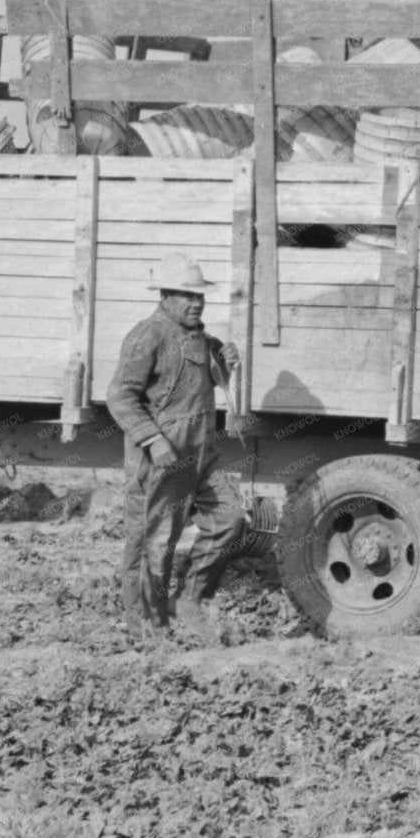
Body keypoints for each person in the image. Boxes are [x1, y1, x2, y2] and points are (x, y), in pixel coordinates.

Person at [105, 253, 243, 638]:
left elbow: (211, 374)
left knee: (230, 519)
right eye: (186, 295)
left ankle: (189, 598)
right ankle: (147, 625)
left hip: (200, 451)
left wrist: (227, 360)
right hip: (161, 453)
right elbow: (120, 395)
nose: (196, 302)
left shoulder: (200, 335)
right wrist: (152, 440)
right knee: (155, 540)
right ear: (165, 296)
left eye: (199, 295)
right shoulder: (147, 334)